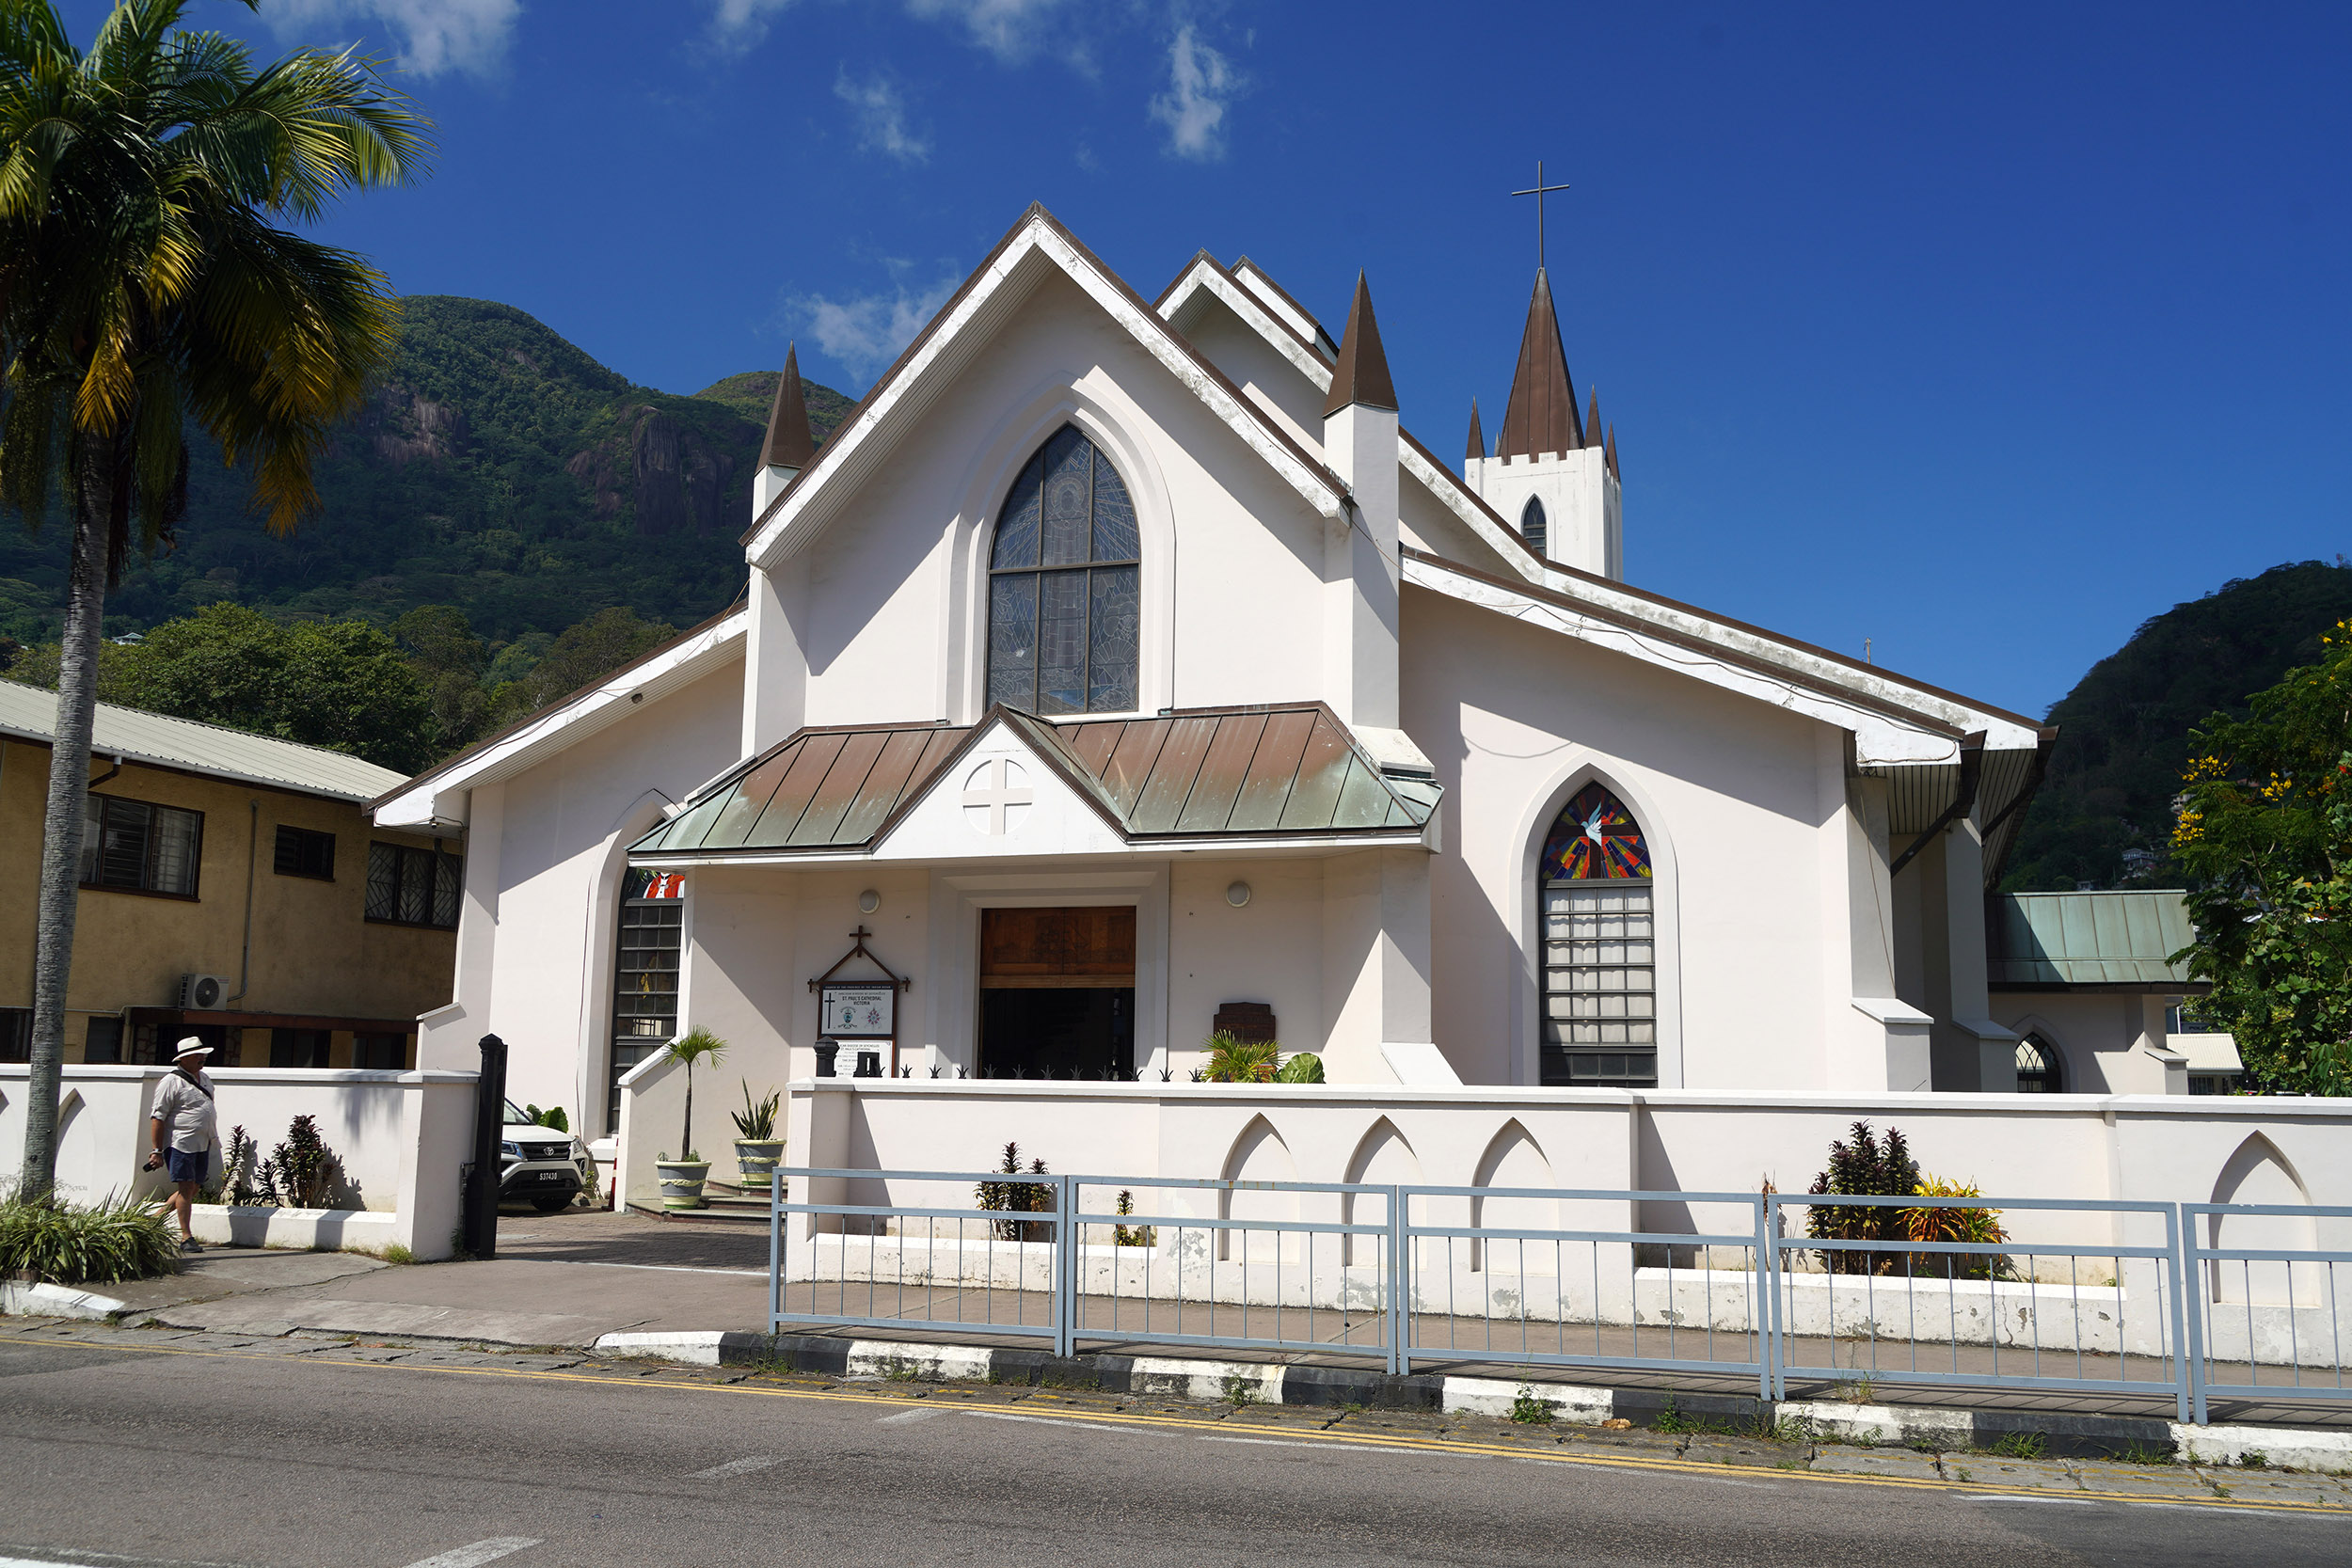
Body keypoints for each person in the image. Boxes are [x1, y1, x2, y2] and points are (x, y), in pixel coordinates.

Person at [145, 1037, 219, 1253]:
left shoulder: (204, 1079)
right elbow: (158, 1117)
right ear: (184, 1058)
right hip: (181, 1143)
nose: (202, 1058)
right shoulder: (170, 1082)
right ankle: (186, 1237)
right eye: (197, 1055)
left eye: (203, 1054)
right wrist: (157, 1151)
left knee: (194, 1187)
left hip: (202, 1142)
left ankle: (155, 1219)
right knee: (186, 1188)